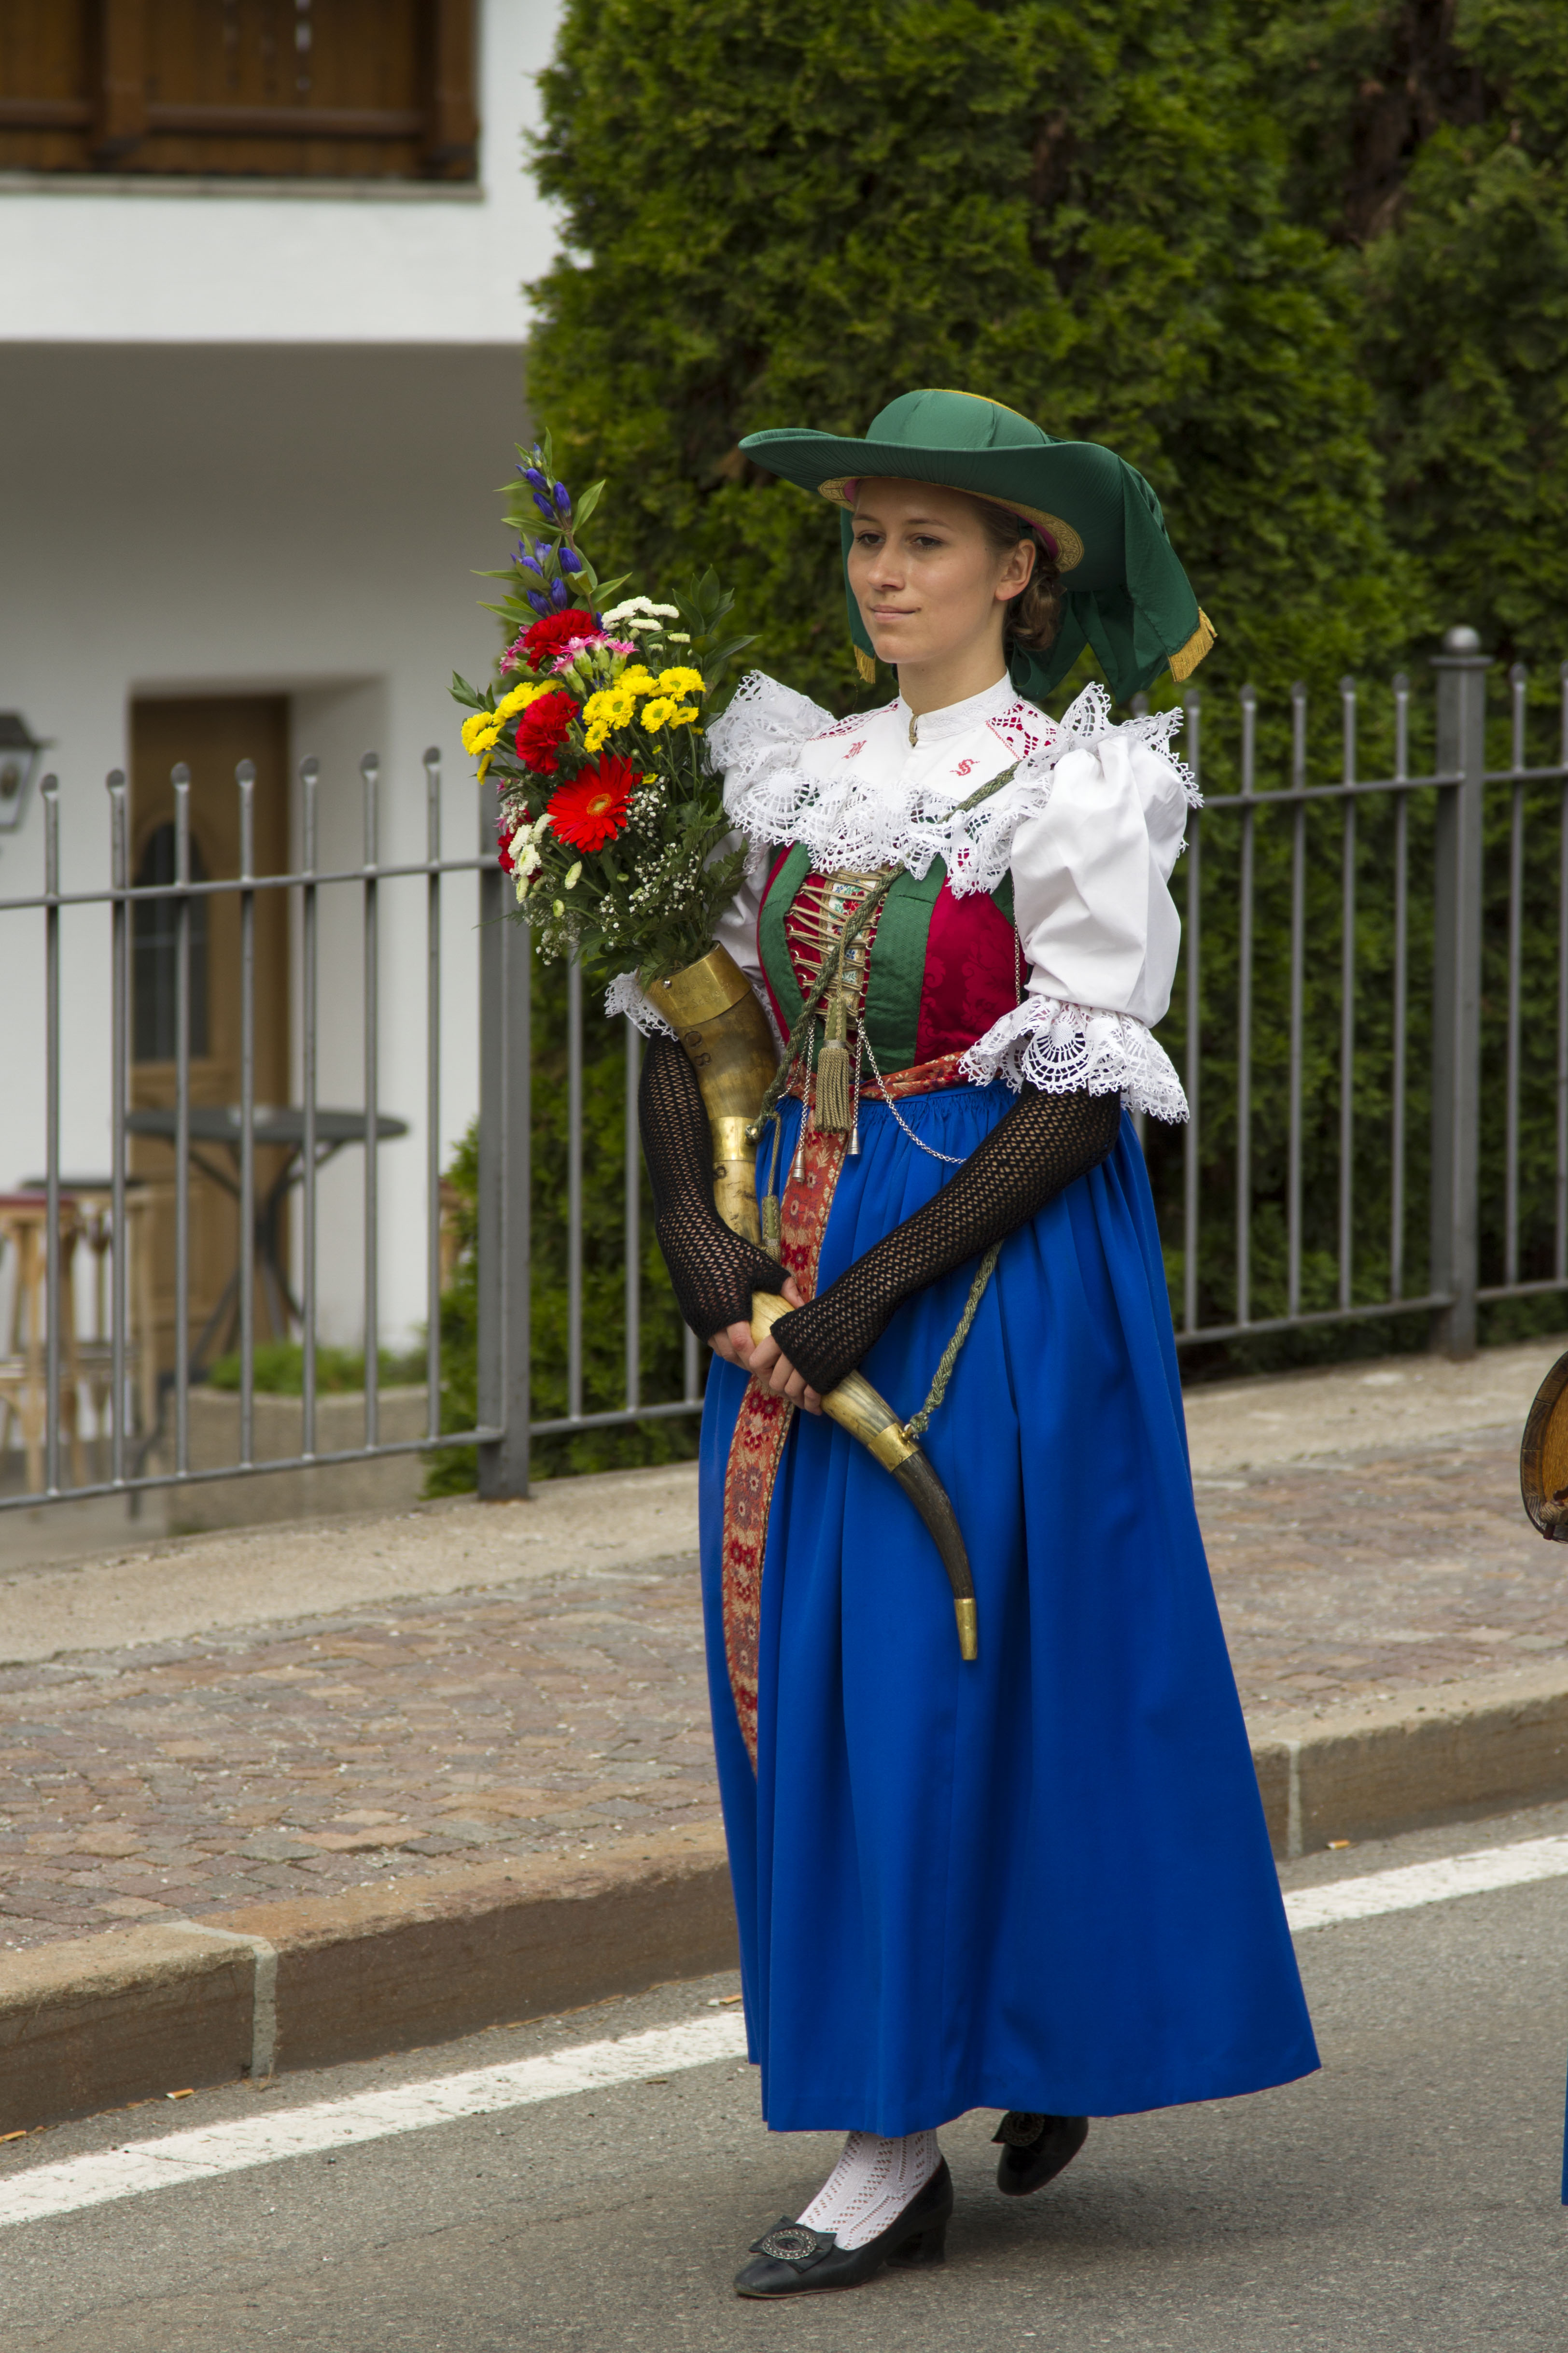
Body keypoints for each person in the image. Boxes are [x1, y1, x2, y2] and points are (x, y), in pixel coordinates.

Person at [629, 390, 1317, 2298]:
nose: (881, 576)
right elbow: (690, 1033)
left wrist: (868, 1292)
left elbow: (1075, 1093)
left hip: (992, 1274)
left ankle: (893, 2142)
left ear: (1017, 571)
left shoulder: (1070, 785)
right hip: (794, 1281)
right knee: (821, 1690)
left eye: (923, 543)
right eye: (864, 540)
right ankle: (940, 2058)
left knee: (966, 1674)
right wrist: (708, 1249)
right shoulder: (781, 767)